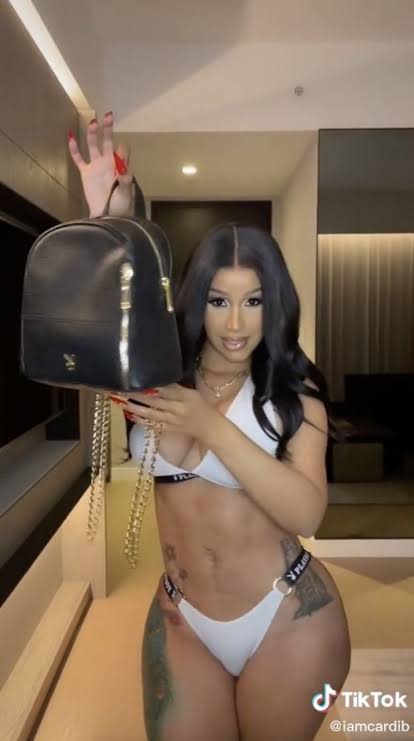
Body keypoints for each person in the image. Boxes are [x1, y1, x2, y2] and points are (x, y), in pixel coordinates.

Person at [69, 111, 351, 741]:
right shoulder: (160, 374)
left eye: (254, 301)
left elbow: (308, 514)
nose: (235, 324)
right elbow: (96, 331)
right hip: (184, 617)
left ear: (274, 305)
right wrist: (108, 222)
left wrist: (213, 427)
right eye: (219, 300)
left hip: (289, 618)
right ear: (199, 300)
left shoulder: (293, 394)